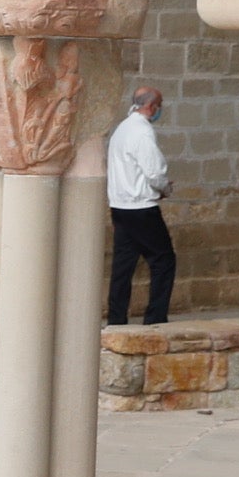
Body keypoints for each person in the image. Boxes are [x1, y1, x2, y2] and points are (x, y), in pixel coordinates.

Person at [106, 87, 177, 326]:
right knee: (164, 260)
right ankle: (155, 318)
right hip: (141, 208)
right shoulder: (142, 132)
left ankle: (116, 319)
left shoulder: (122, 129)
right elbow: (154, 171)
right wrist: (165, 188)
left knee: (123, 265)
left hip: (120, 206)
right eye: (160, 105)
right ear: (152, 106)